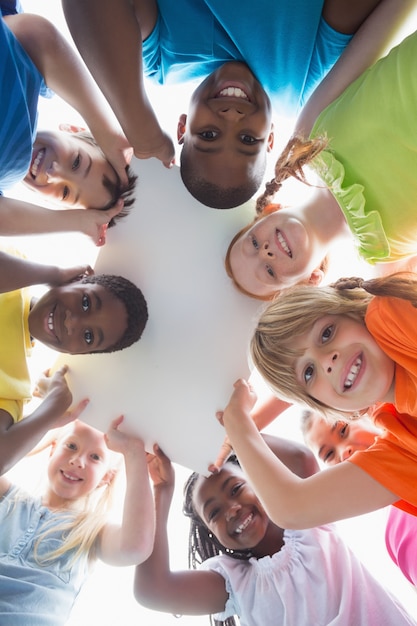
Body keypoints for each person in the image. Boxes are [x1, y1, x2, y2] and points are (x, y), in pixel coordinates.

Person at [60, 0, 406, 208]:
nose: (231, 117)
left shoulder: (159, 61)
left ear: (182, 126)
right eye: (247, 140)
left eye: (208, 135)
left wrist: (140, 126)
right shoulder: (308, 80)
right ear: (271, 137)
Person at [226, 18, 417, 299]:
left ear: (269, 210)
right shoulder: (388, 264)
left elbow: (376, 36)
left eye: (253, 242)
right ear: (312, 279)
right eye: (269, 272)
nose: (265, 253)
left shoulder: (307, 134)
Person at [133, 437, 417, 626]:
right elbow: (152, 590)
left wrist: (230, 430)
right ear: (211, 533)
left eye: (236, 489)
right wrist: (161, 490)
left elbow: (301, 459)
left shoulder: (308, 518)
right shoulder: (237, 583)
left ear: (259, 483)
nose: (231, 509)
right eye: (214, 513)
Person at [214, 272, 417, 534]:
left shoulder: (389, 315)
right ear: (326, 406)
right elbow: (292, 509)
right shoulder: (404, 446)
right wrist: (237, 425)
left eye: (326, 333)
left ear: (353, 313)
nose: (326, 361)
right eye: (308, 372)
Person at [0, 248, 148, 476]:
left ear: (78, 353)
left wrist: (56, 404)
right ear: (78, 281)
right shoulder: (16, 274)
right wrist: (53, 275)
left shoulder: (15, 390)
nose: (72, 322)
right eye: (86, 302)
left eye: (88, 336)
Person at [0, 415, 155, 626]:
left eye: (95, 457)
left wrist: (134, 453)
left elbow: (134, 547)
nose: (77, 461)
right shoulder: (8, 497)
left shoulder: (91, 531)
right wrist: (47, 417)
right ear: (52, 449)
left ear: (105, 478)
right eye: (71, 446)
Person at [1, 8, 137, 246]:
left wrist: (76, 222)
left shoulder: (5, 183)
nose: (54, 173)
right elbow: (34, 34)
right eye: (76, 162)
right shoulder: (37, 81)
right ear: (73, 129)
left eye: (65, 192)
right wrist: (104, 129)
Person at [301, 409, 417, 586]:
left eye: (343, 430)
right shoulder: (398, 536)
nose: (344, 451)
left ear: (365, 412)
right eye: (329, 454)